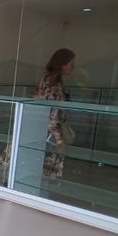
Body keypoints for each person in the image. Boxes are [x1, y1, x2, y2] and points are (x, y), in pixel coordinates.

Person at [36, 48, 75, 182]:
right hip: (49, 134)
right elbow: (51, 115)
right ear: (62, 64)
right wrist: (59, 140)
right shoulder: (52, 83)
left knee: (41, 167)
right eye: (71, 64)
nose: (73, 67)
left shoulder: (49, 80)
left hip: (44, 131)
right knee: (46, 169)